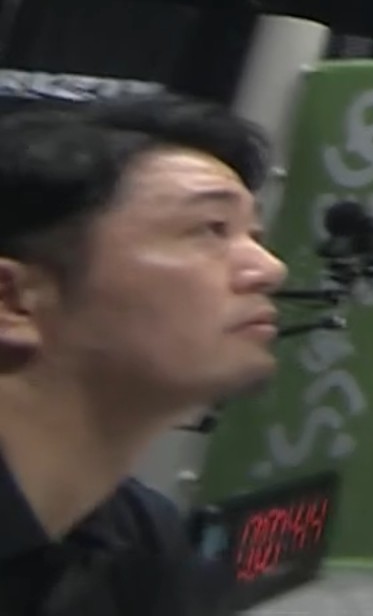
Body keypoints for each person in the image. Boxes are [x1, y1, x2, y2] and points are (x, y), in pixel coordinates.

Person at [0, 95, 289, 615]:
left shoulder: (141, 537)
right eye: (210, 229)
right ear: (13, 301)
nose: (270, 269)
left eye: (254, 236)